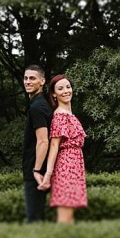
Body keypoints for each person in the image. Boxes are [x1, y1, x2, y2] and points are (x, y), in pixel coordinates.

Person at [38, 74, 87, 224]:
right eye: (60, 88)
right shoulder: (59, 116)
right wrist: (48, 175)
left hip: (76, 167)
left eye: (68, 87)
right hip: (66, 168)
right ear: (54, 93)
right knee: (65, 217)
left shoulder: (70, 114)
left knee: (70, 217)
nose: (66, 91)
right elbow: (54, 146)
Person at [21, 64, 52, 223]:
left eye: (32, 78)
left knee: (34, 219)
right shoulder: (42, 104)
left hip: (36, 172)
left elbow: (43, 141)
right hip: (42, 169)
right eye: (25, 78)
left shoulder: (37, 107)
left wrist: (36, 170)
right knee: (39, 218)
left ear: (42, 81)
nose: (27, 81)